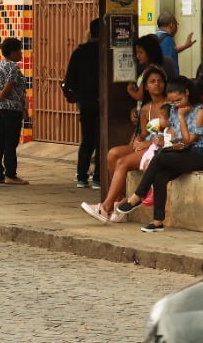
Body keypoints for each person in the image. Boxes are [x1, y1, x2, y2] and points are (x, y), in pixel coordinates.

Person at [114, 77, 203, 233]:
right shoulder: (173, 109)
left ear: (187, 93)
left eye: (179, 100)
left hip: (199, 154)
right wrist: (172, 140)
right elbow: (174, 134)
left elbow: (189, 140)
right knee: (160, 177)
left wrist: (181, 117)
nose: (176, 105)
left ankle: (138, 196)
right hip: (180, 151)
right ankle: (158, 221)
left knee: (160, 157)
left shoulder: (200, 111)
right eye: (172, 102)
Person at [81, 66, 169, 223]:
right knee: (113, 154)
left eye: (160, 81)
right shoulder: (146, 109)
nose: (157, 84)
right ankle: (119, 200)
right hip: (147, 143)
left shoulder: (169, 105)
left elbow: (170, 132)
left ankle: (105, 207)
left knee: (122, 162)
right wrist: (138, 140)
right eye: (152, 81)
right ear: (146, 87)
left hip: (161, 145)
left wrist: (147, 143)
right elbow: (144, 133)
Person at [64, 19, 100, 188]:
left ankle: (81, 175)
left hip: (85, 102)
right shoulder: (107, 51)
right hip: (103, 102)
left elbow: (69, 79)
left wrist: (78, 95)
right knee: (101, 139)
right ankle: (99, 177)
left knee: (87, 139)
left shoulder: (79, 52)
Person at [0, 37, 29, 185]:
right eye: (19, 50)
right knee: (10, 142)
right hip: (12, 108)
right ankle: (11, 174)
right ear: (12, 52)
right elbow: (9, 86)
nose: (21, 53)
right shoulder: (13, 67)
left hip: (1, 108)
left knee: (0, 139)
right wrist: (2, 97)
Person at [125, 34, 166, 105]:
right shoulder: (157, 67)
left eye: (140, 52)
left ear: (150, 52)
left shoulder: (149, 70)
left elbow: (140, 96)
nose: (137, 56)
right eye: (136, 52)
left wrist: (130, 90)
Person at [154, 11, 193, 79]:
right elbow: (169, 64)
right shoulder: (167, 39)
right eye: (176, 24)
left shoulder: (156, 37)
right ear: (171, 25)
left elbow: (171, 51)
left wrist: (185, 46)